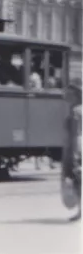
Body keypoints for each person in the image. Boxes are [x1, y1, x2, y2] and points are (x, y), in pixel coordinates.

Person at [62, 83, 82, 222]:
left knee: (77, 179)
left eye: (69, 94)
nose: (65, 96)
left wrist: (74, 153)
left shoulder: (76, 111)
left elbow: (75, 134)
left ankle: (80, 212)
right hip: (78, 145)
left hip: (76, 146)